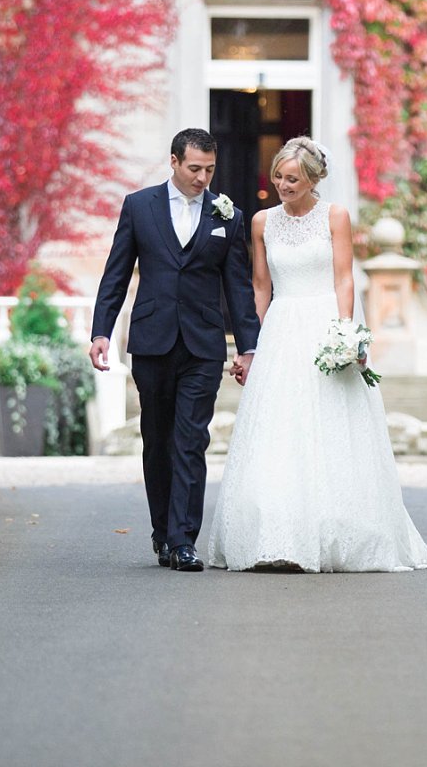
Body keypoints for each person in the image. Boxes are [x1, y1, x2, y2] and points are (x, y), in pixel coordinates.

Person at [207, 136, 427, 573]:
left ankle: (334, 529)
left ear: (314, 179)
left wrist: (345, 331)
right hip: (281, 328)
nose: (283, 184)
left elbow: (344, 279)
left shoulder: (335, 216)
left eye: (293, 178)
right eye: (278, 176)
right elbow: (260, 287)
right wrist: (250, 346)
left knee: (331, 423)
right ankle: (273, 534)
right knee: (279, 428)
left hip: (323, 323)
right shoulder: (262, 222)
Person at [89, 128, 260, 572]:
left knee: (191, 440)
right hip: (152, 340)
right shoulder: (138, 206)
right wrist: (101, 331)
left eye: (209, 170)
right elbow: (116, 273)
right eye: (194, 168)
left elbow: (238, 287)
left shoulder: (229, 215)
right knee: (158, 440)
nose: (202, 178)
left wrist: (248, 347)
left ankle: (184, 540)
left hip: (203, 346)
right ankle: (162, 532)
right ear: (173, 162)